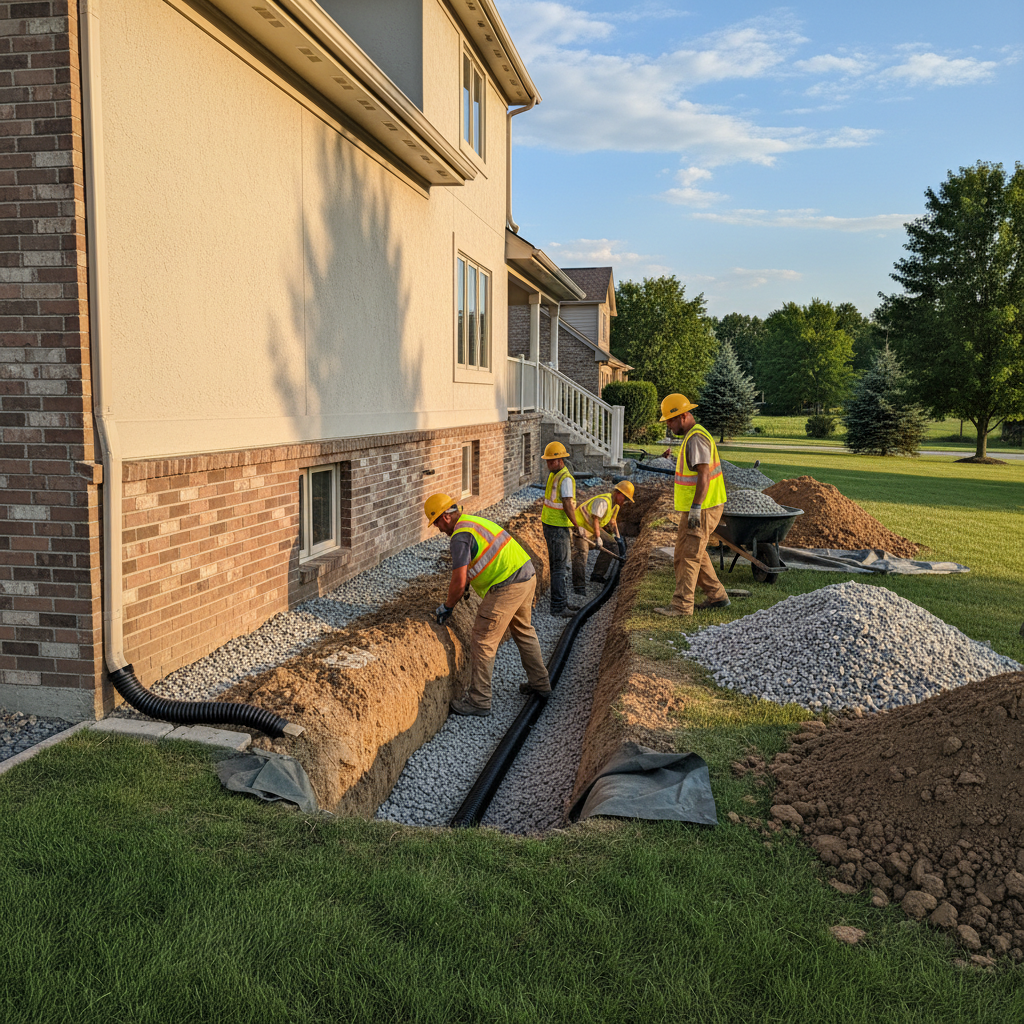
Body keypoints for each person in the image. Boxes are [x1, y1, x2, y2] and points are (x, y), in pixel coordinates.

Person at [424, 493, 551, 717]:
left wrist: (448, 606)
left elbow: (458, 581)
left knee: (483, 640)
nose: (438, 529)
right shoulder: (472, 523)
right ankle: (540, 684)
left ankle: (479, 700)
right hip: (526, 576)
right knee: (524, 631)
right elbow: (480, 558)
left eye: (436, 523)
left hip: (507, 585)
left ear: (445, 517)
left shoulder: (460, 537)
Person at [652, 394, 731, 617]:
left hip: (702, 508)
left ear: (684, 415)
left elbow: (704, 475)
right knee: (688, 552)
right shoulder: (692, 437)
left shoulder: (696, 438)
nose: (668, 425)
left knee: (689, 556)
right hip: (698, 507)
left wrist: (696, 507)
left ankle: (682, 606)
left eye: (671, 419)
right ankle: (717, 596)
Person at [539, 441, 582, 616]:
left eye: (551, 461)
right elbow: (567, 504)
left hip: (550, 524)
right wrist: (577, 525)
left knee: (557, 566)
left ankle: (561, 601)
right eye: (547, 461)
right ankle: (558, 606)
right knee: (560, 568)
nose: (548, 464)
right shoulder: (565, 478)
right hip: (557, 527)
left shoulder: (556, 476)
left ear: (560, 460)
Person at [572, 480, 633, 587]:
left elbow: (613, 521)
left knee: (612, 545)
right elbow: (595, 519)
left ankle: (597, 575)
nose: (625, 501)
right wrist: (598, 537)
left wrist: (618, 538)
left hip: (591, 526)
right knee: (582, 552)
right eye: (625, 498)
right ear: (618, 493)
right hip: (580, 526)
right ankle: (579, 586)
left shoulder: (616, 505)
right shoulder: (603, 502)